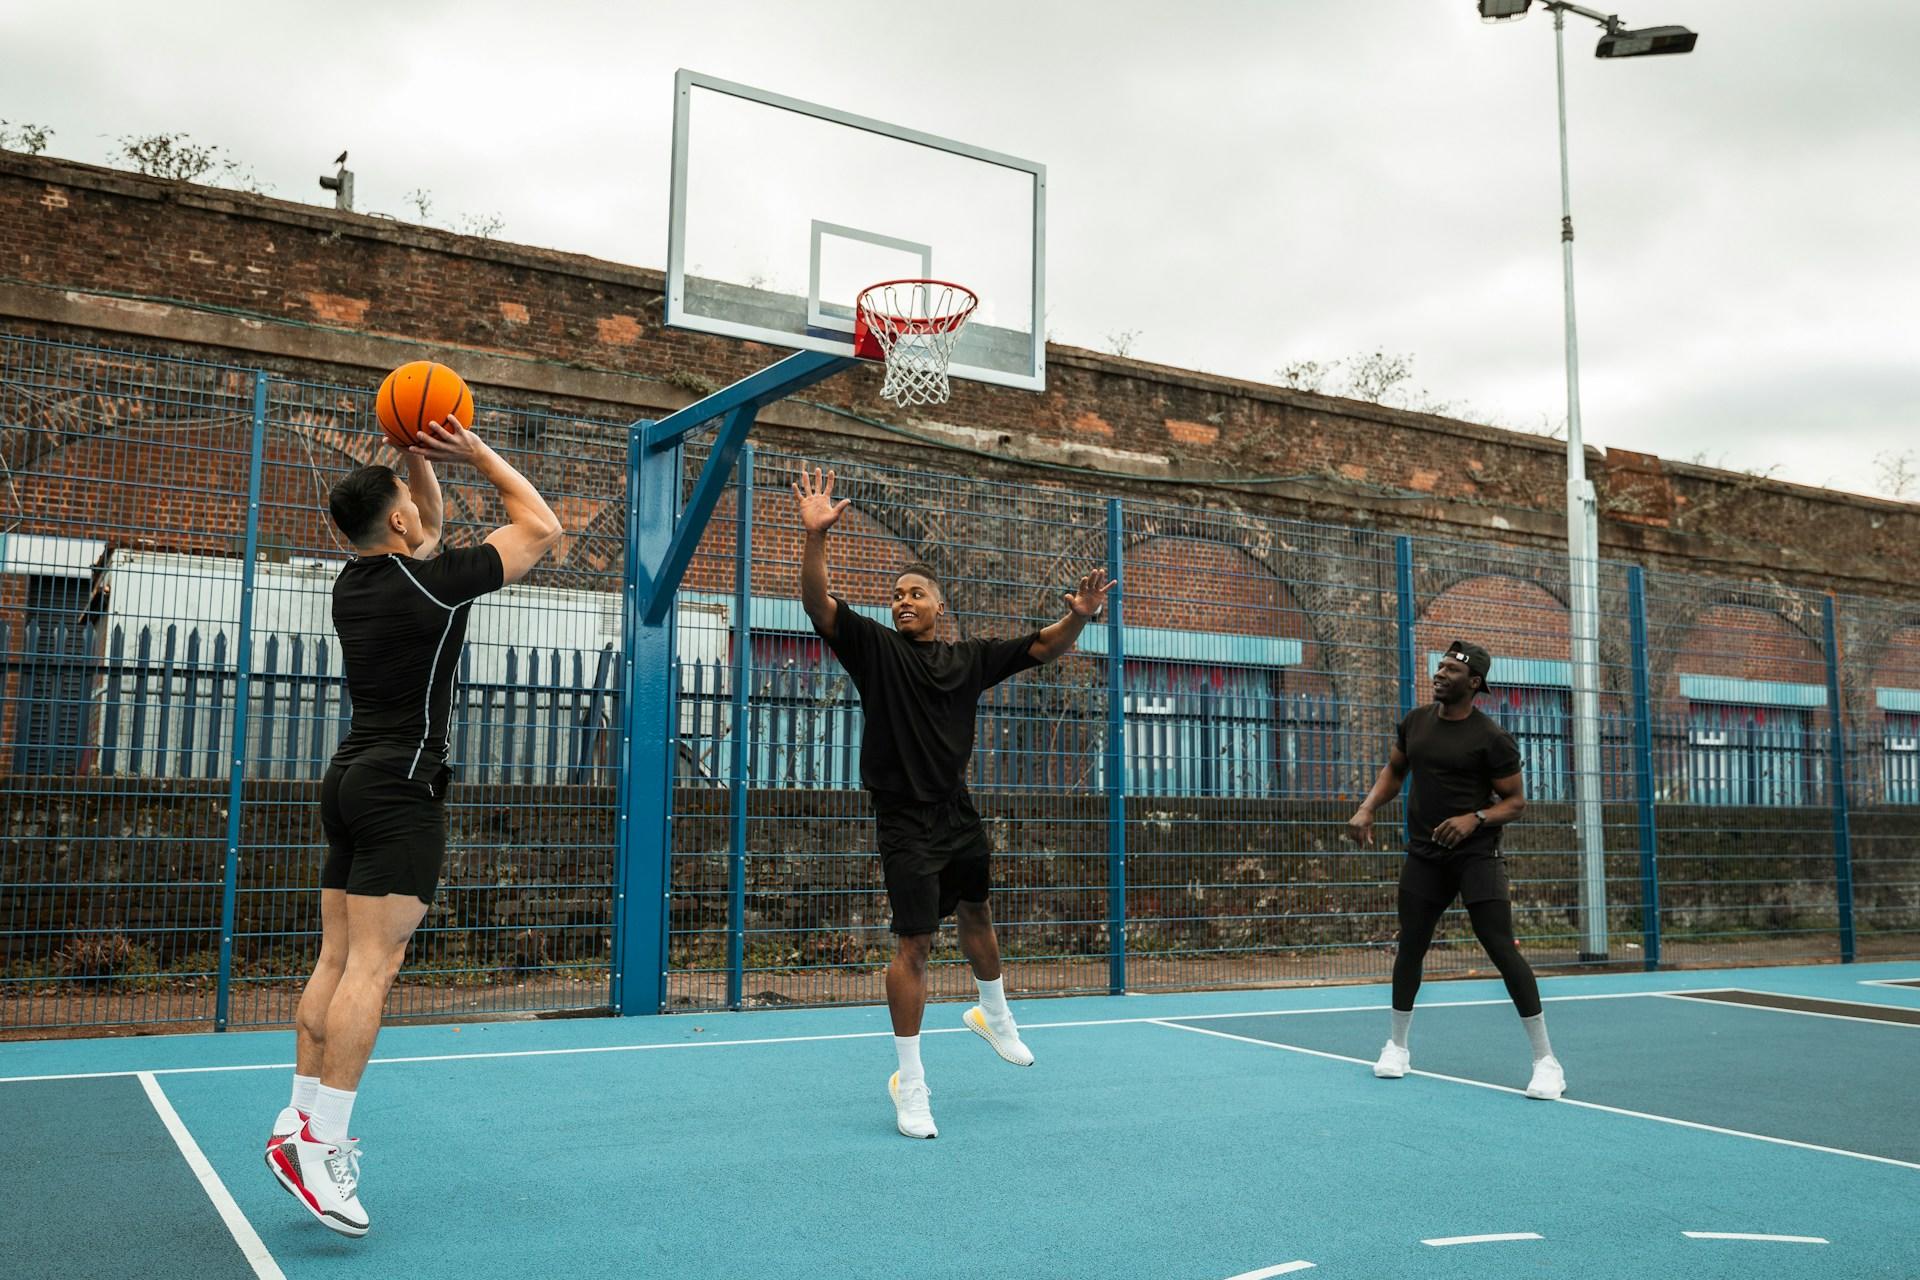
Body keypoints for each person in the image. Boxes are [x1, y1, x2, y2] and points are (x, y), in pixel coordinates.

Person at [266, 417, 562, 1235]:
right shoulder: (431, 584)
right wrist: (474, 454)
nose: (420, 516)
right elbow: (542, 523)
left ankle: (297, 1120)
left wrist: (411, 459)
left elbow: (422, 532)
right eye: (408, 504)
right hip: (401, 790)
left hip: (348, 780)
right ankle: (321, 1149)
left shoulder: (355, 582)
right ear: (396, 521)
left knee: (336, 958)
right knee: (376, 966)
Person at [792, 464, 1113, 1139]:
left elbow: (1043, 647)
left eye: (914, 594)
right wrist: (816, 538)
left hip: (956, 812)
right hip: (904, 819)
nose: (901, 602)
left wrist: (1077, 617)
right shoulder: (876, 650)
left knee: (979, 914)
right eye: (895, 596)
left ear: (940, 607)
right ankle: (911, 1085)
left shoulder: (969, 658)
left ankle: (993, 1016)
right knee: (914, 944)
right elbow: (819, 605)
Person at [1344, 639, 1566, 1100]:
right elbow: (1395, 770)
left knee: (1502, 949)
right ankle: (1397, 1047)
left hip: (1475, 856)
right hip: (1425, 855)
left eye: (1450, 669)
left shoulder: (1492, 738)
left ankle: (1547, 1062)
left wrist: (1475, 819)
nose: (1439, 674)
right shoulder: (1416, 723)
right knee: (1411, 947)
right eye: (1438, 667)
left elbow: (1516, 802)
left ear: (1475, 682)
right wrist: (1367, 809)